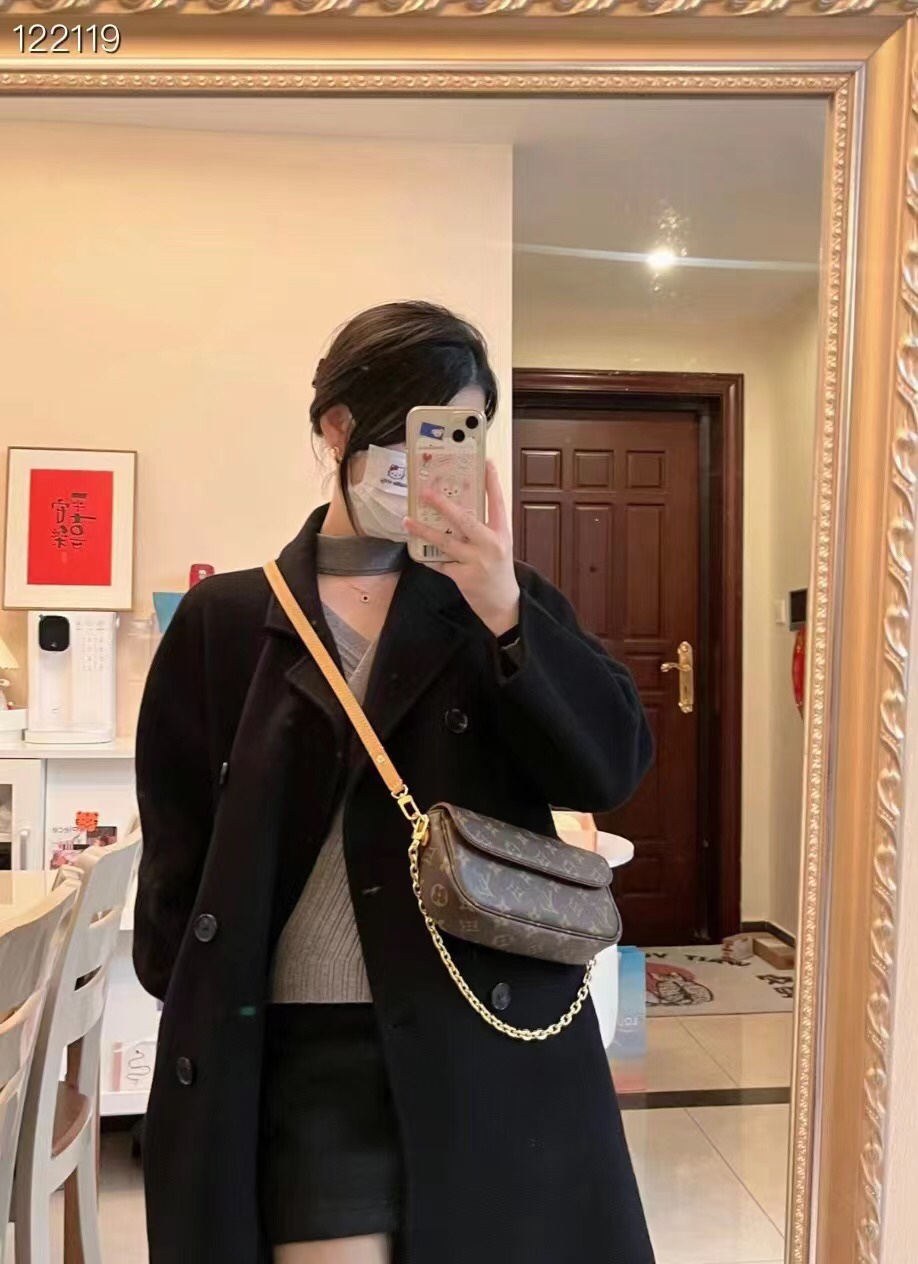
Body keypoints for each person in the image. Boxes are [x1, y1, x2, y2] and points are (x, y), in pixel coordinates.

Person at [133, 300, 656, 1264]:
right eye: (420, 428)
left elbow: (611, 765)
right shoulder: (228, 619)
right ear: (338, 429)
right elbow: (177, 844)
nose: (441, 456)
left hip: (487, 1030)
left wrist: (502, 604)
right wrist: (207, 997)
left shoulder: (497, 605)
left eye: (466, 429)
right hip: (300, 1053)